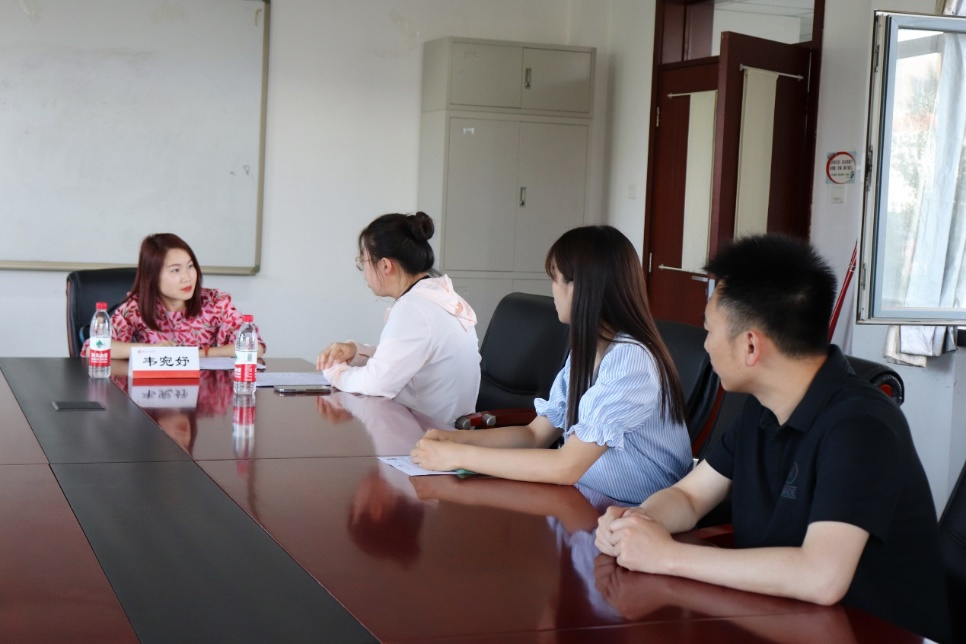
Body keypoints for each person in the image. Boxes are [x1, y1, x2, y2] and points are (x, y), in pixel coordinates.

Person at [595, 235, 950, 643]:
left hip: (869, 632)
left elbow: (821, 577)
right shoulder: (761, 409)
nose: (705, 345)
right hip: (781, 621)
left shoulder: (862, 427)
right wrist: (636, 522)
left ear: (751, 345)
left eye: (709, 330)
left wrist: (667, 556)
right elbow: (690, 497)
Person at [410, 225, 692, 505]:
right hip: (583, 497)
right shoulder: (587, 351)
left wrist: (458, 457)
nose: (553, 290)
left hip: (631, 513)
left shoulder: (630, 359)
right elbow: (534, 435)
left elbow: (566, 466)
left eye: (555, 278)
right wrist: (454, 440)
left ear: (579, 286)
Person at [317, 212, 481, 426]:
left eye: (363, 262)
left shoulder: (414, 309)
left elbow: (377, 383)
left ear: (385, 265)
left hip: (429, 436)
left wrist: (334, 371)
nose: (363, 271)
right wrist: (356, 352)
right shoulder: (438, 297)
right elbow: (404, 358)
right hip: (448, 431)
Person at [80, 233, 265, 359]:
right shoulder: (136, 307)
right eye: (176, 270)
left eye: (190, 266)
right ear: (153, 276)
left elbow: (255, 347)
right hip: (154, 395)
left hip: (206, 397)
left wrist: (198, 354)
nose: (187, 277)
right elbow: (94, 347)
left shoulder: (216, 301)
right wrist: (151, 350)